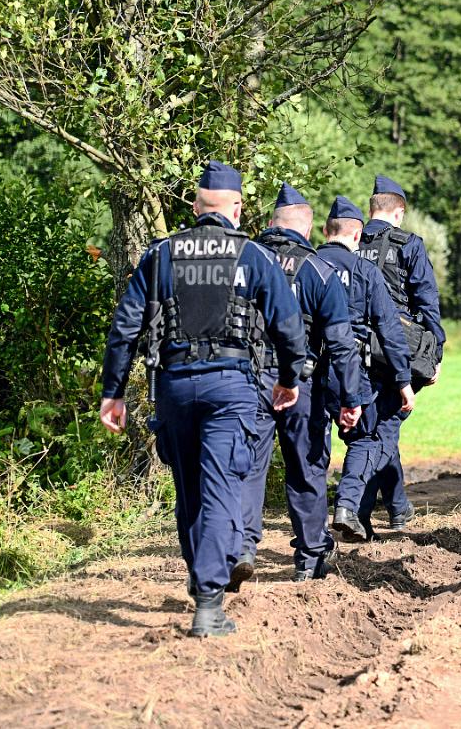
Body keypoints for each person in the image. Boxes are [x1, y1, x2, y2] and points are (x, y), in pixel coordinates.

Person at [100, 161, 308, 637]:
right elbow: (288, 326)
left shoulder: (160, 255)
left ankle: (202, 578)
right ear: (237, 208)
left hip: (174, 386)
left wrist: (114, 392)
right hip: (231, 387)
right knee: (220, 487)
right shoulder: (253, 255)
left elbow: (125, 328)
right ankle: (209, 603)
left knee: (190, 489)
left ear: (195, 207)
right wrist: (289, 378)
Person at [238, 183, 364, 584]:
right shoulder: (318, 270)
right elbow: (342, 344)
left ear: (269, 223)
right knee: (307, 468)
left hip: (248, 380)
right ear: (308, 230)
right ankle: (309, 558)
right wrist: (350, 398)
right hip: (301, 386)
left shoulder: (243, 261)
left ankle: (242, 546)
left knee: (248, 466)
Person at [319, 196, 417, 543]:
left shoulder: (308, 266)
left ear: (325, 231)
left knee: (313, 450)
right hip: (352, 370)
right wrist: (403, 380)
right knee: (366, 438)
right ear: (357, 235)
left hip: (309, 373)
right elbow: (389, 329)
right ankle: (347, 507)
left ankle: (312, 531)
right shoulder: (365, 271)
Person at [359, 175, 445, 529]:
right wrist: (435, 352)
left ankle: (397, 506)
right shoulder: (408, 244)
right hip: (398, 347)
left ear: (371, 209)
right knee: (385, 427)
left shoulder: (350, 241)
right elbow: (427, 300)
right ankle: (359, 510)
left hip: (354, 346)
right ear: (400, 211)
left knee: (379, 422)